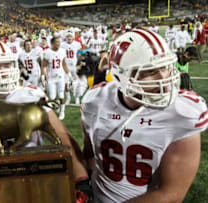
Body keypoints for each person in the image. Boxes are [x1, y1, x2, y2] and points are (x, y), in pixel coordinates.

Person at [81, 28, 207, 202]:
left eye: (165, 66)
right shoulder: (95, 101)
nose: (164, 77)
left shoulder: (182, 113)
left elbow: (171, 194)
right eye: (150, 71)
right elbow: (89, 155)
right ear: (121, 75)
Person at [0, 38, 90, 200]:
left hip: (32, 180)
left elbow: (64, 141)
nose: (2, 71)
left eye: (7, 65)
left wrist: (81, 180)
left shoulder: (29, 95)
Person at [42, 37, 71, 120]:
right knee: (52, 96)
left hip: (61, 76)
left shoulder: (62, 51)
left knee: (61, 94)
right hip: (51, 77)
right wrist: (43, 76)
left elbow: (64, 63)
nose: (58, 44)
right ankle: (57, 107)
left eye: (59, 42)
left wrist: (68, 74)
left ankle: (62, 112)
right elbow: (44, 66)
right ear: (52, 43)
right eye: (57, 42)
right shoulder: (47, 52)